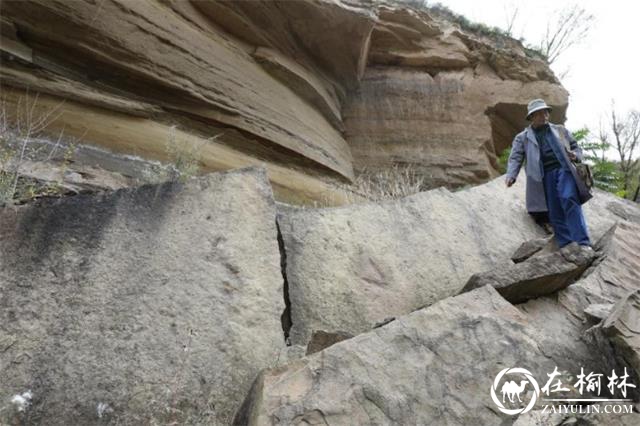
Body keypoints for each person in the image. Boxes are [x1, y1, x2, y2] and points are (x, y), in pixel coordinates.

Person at [505, 99, 592, 248]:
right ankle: (566, 244)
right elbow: (516, 157)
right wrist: (511, 175)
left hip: (564, 169)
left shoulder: (560, 130)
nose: (544, 116)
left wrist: (575, 155)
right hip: (543, 176)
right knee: (554, 209)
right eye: (539, 114)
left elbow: (576, 148)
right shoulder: (523, 137)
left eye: (545, 112)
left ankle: (583, 243)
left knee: (569, 198)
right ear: (532, 117)